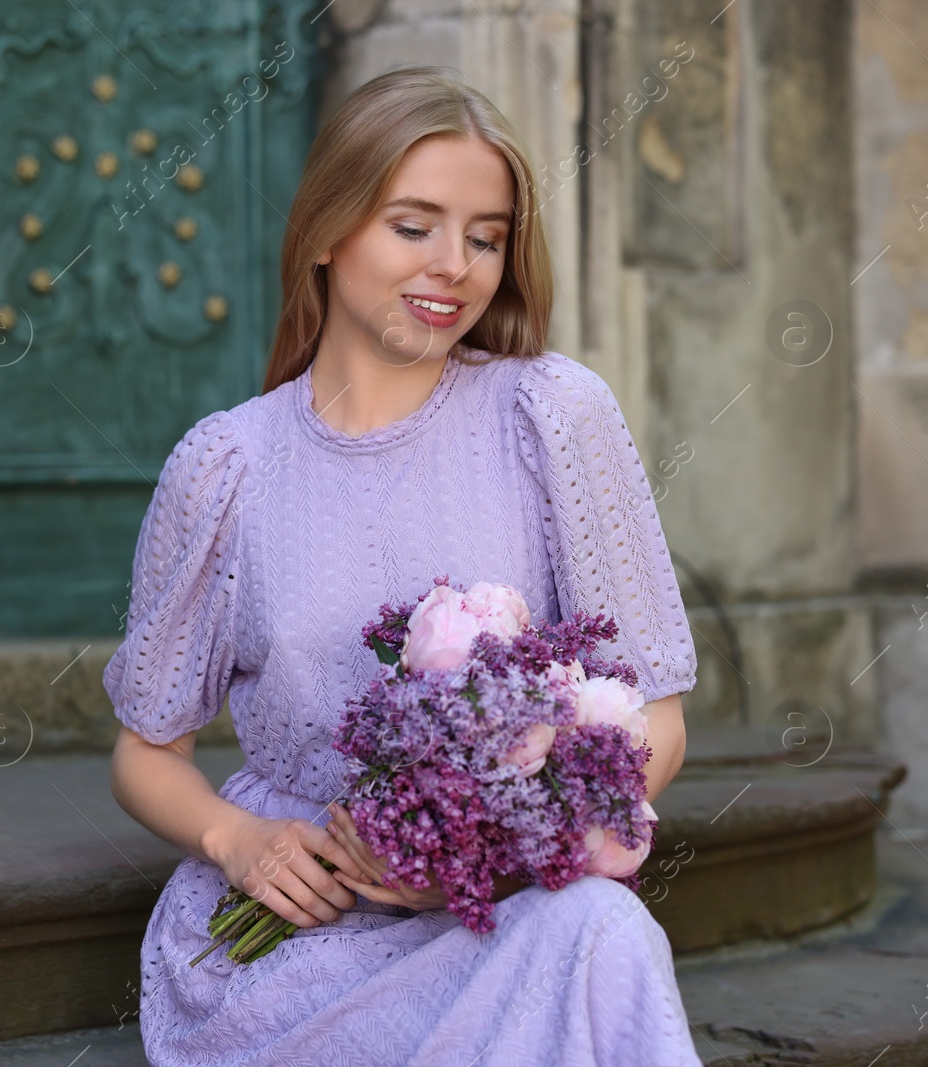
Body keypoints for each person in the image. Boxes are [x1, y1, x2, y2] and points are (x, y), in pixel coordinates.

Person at [104, 65, 702, 1067]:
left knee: (603, 934)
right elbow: (144, 751)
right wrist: (238, 844)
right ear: (330, 232)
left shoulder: (554, 417)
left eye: (484, 236)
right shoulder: (227, 466)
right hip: (296, 934)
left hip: (501, 909)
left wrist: (484, 851)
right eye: (413, 225)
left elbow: (656, 723)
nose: (454, 266)